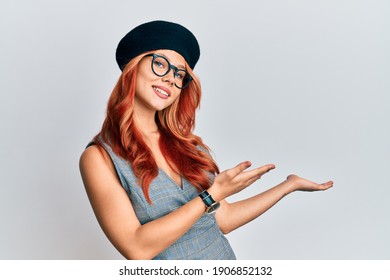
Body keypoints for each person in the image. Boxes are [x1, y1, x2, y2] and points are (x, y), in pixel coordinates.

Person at [79, 20, 333, 260]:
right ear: (132, 69)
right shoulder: (100, 158)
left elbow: (224, 219)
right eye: (160, 64)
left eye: (179, 75)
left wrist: (288, 186)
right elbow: (136, 247)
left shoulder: (188, 145)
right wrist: (211, 196)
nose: (170, 78)